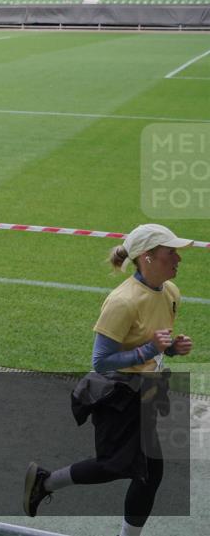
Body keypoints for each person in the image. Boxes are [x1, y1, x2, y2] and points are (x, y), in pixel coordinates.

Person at [23, 223, 193, 536]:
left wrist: (171, 348)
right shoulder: (123, 302)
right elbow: (100, 362)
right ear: (147, 257)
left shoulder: (170, 293)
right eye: (171, 252)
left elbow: (152, 344)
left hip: (145, 392)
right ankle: (44, 482)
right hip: (118, 396)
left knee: (146, 472)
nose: (178, 258)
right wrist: (149, 350)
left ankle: (45, 483)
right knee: (119, 466)